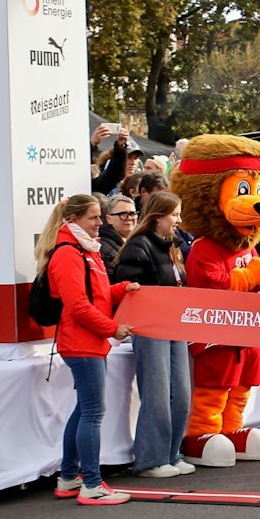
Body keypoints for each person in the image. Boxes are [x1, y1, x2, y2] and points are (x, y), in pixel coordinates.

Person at [43, 194, 139, 506]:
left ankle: (71, 477)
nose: (100, 223)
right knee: (93, 411)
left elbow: (96, 296)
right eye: (93, 218)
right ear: (74, 220)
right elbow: (78, 305)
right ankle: (91, 483)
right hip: (82, 343)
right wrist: (113, 328)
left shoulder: (85, 250)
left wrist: (122, 288)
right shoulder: (69, 253)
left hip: (88, 342)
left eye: (100, 217)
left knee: (85, 409)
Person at [109, 191, 194, 479]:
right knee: (157, 393)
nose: (179, 220)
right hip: (150, 328)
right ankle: (150, 459)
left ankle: (172, 453)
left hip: (174, 325)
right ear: (158, 216)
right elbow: (125, 284)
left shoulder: (173, 246)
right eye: (174, 215)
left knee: (181, 392)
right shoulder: (139, 245)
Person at [100, 194, 138, 264]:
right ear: (109, 219)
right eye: (123, 214)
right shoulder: (104, 248)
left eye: (132, 213)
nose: (129, 218)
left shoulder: (141, 241)